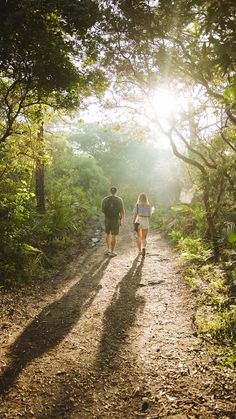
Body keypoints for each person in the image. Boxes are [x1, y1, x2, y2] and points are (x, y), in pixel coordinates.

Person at [102, 186, 125, 257]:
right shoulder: (119, 200)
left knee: (108, 234)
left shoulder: (105, 199)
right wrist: (122, 219)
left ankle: (108, 250)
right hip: (115, 219)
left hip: (107, 219)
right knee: (114, 235)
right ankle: (112, 251)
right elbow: (122, 211)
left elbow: (102, 210)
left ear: (110, 191)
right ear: (116, 192)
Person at [132, 193, 152, 257]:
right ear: (146, 198)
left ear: (139, 198)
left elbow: (135, 214)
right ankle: (144, 248)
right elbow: (149, 215)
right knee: (144, 238)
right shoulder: (148, 206)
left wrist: (133, 222)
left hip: (139, 222)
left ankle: (139, 251)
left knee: (139, 237)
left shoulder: (137, 205)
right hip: (146, 222)